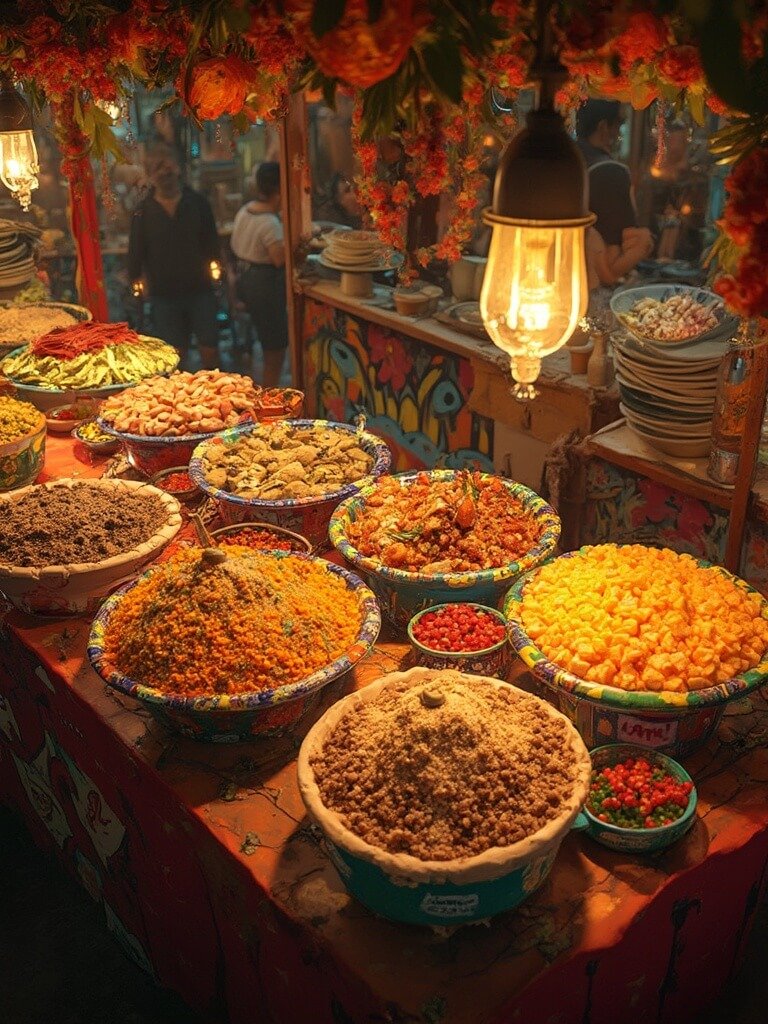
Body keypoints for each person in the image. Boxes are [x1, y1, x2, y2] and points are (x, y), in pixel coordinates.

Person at [128, 143, 220, 370]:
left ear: (178, 169)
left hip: (201, 290)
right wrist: (137, 284)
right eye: (158, 168)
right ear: (150, 174)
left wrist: (218, 277)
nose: (165, 172)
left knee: (210, 348)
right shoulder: (143, 211)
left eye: (168, 166)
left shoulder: (198, 203)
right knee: (175, 356)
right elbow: (136, 252)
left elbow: (212, 244)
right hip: (164, 295)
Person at [576, 100, 653, 288]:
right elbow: (612, 265)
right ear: (603, 127)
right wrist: (644, 245)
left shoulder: (569, 159)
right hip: (593, 288)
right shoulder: (611, 171)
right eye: (620, 123)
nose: (619, 132)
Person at [230, 162, 288, 387]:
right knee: (274, 348)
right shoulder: (269, 223)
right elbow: (278, 259)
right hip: (264, 285)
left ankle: (259, 390)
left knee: (257, 342)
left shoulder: (244, 211)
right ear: (279, 189)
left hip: (245, 280)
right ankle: (270, 395)